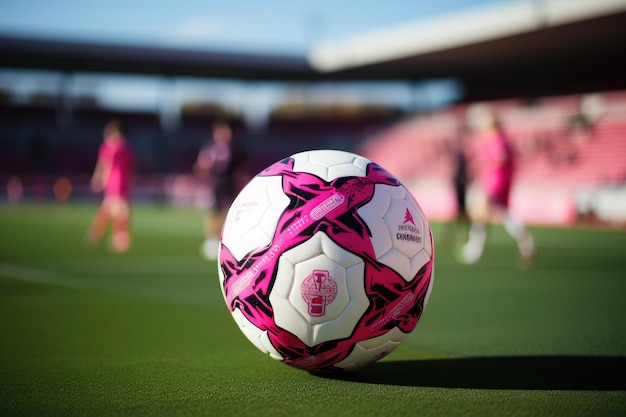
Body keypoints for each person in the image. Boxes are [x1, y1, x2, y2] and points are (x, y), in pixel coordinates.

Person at [460, 106, 535, 267]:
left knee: (480, 213)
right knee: (502, 213)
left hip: (494, 180)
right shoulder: (497, 138)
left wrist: (483, 167)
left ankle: (474, 250)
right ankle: (527, 245)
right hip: (499, 179)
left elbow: (500, 158)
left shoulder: (495, 139)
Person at [195, 120, 244, 260]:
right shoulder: (211, 148)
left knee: (231, 212)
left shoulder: (236, 148)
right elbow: (202, 165)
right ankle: (210, 239)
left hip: (230, 184)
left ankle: (229, 240)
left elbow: (241, 168)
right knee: (213, 212)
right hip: (216, 183)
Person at [86, 119, 134, 253]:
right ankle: (119, 236)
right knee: (119, 209)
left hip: (115, 180)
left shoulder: (111, 146)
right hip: (118, 181)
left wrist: (98, 177)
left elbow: (103, 164)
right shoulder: (124, 146)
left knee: (111, 207)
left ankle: (96, 233)